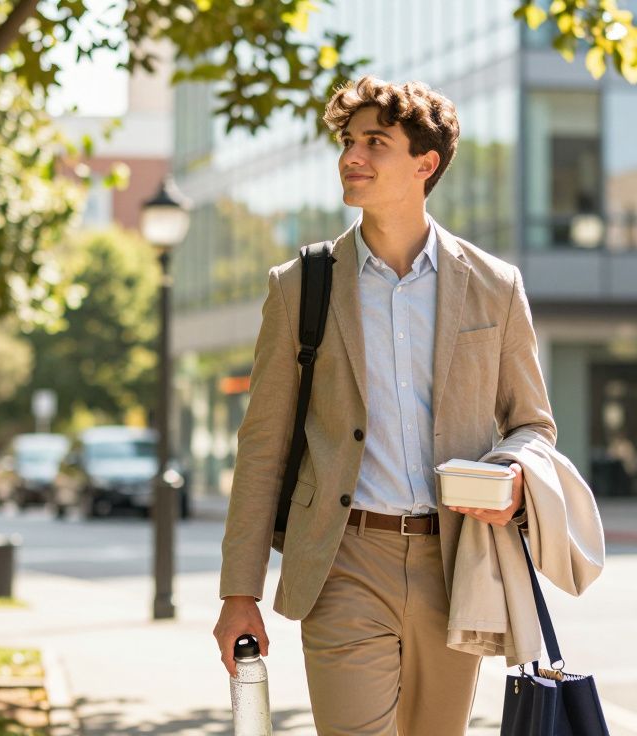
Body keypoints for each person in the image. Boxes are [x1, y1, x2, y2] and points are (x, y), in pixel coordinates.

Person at [213, 76, 555, 735]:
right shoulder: (301, 287)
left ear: (425, 164)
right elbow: (263, 445)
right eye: (348, 140)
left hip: (455, 565)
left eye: (376, 142)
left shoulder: (494, 287)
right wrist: (239, 593)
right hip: (343, 563)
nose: (352, 156)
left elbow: (532, 423)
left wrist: (513, 472)